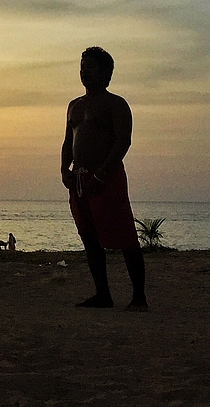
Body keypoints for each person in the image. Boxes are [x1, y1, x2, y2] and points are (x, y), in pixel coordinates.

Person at [61, 46, 147, 311]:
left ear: (106, 73)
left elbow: (123, 142)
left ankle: (139, 297)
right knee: (89, 236)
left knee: (124, 235)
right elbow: (68, 142)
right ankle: (103, 294)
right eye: (82, 66)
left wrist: (102, 173)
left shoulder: (116, 104)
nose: (84, 71)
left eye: (90, 67)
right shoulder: (74, 106)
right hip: (80, 179)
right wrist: (64, 169)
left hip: (107, 177)